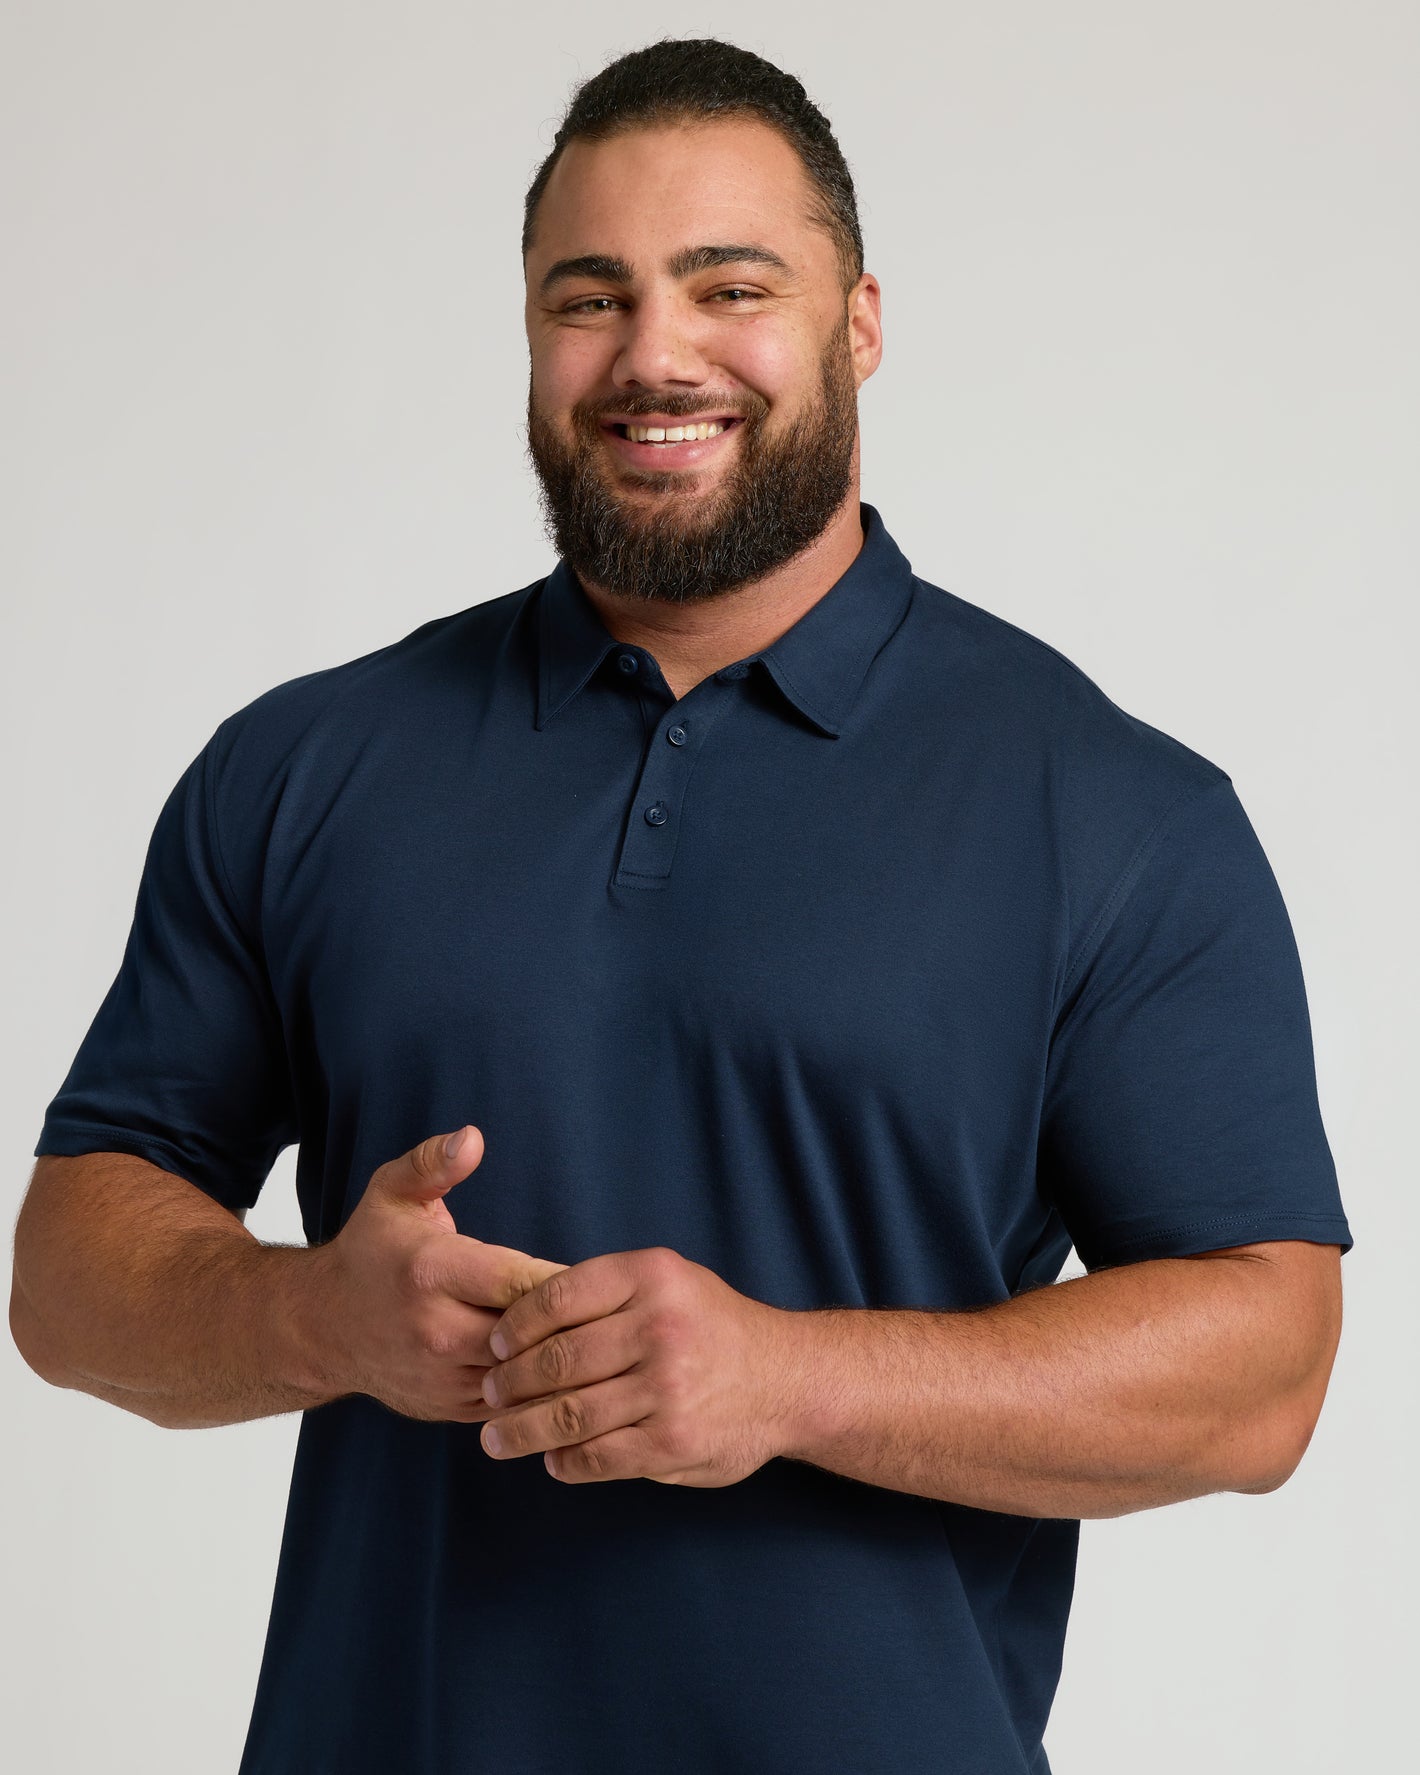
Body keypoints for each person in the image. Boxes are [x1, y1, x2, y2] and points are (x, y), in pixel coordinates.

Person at [12, 35, 1353, 1775]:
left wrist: (789, 1380)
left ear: (858, 323)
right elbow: (68, 1270)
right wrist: (305, 1317)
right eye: (591, 296)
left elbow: (1266, 1369)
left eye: (731, 286)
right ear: (526, 327)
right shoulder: (303, 767)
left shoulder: (1113, 811)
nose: (655, 355)